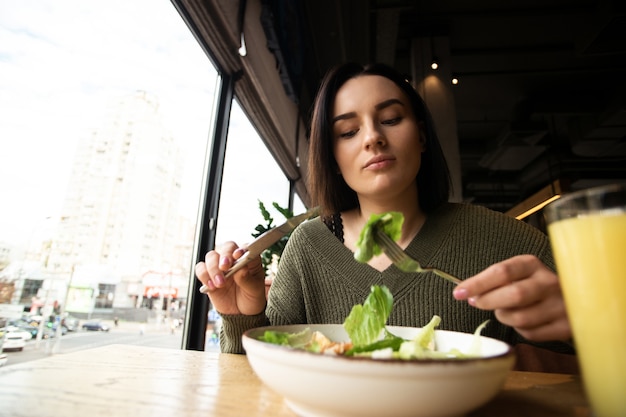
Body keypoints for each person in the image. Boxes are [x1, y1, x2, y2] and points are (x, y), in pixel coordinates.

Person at [195, 62, 575, 371]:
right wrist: (241, 314)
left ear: (422, 136)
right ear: (332, 157)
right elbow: (261, 384)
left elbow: (589, 365)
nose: (372, 137)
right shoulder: (308, 246)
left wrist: (583, 320)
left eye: (391, 119)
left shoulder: (506, 241)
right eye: (347, 131)